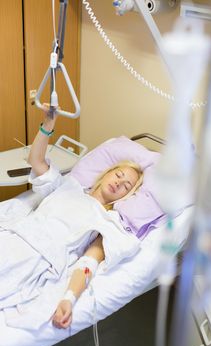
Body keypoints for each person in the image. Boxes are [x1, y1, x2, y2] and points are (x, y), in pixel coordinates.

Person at [0, 106, 143, 330]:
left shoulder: (107, 221)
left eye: (127, 186)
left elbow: (88, 264)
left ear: (127, 196)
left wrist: (69, 298)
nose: (119, 182)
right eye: (118, 175)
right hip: (15, 235)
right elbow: (36, 161)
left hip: (33, 259)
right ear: (107, 173)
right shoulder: (68, 186)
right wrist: (47, 126)